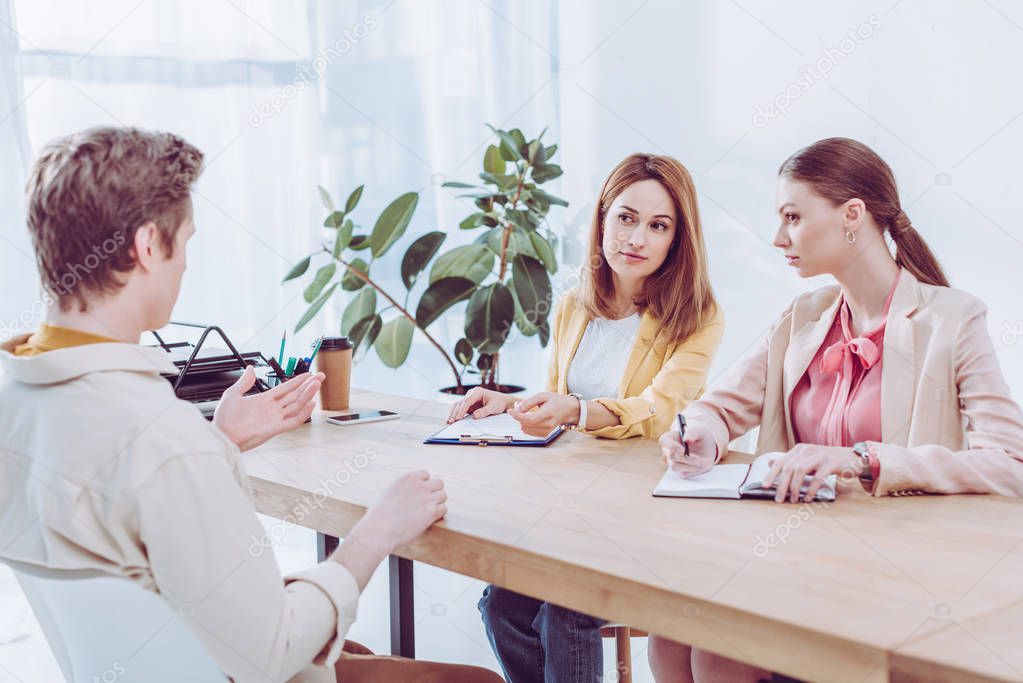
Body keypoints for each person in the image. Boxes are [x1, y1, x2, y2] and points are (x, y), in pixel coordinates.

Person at [0, 126, 501, 683]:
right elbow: (273, 655)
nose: (186, 265)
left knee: (348, 643)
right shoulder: (165, 439)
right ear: (146, 247)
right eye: (185, 242)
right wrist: (377, 530)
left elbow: (113, 518)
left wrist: (220, 439)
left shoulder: (15, 400)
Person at [649, 137, 1023, 682]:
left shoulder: (953, 319)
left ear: (853, 216)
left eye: (792, 217)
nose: (779, 237)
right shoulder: (804, 316)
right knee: (670, 632)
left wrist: (864, 459)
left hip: (894, 571)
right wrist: (699, 434)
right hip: (790, 555)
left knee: (716, 649)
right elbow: (717, 409)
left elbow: (1011, 462)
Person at [448, 153, 725, 682]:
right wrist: (510, 404)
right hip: (570, 505)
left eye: (658, 225)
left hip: (645, 511)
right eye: (625, 217)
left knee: (565, 610)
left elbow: (656, 413)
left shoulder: (697, 316)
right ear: (602, 219)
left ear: (677, 240)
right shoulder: (574, 305)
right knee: (500, 606)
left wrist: (575, 410)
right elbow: (560, 403)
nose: (636, 238)